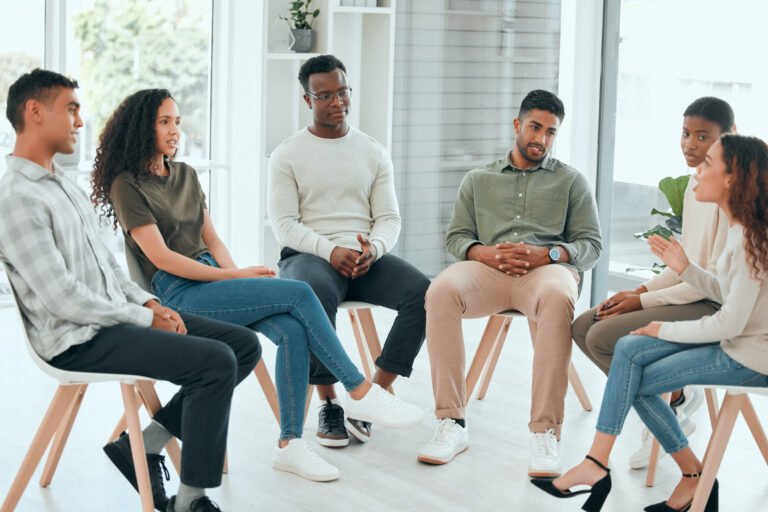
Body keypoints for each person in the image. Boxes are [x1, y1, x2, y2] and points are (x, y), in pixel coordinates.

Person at [90, 88, 424, 484]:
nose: (175, 130)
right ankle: (359, 389)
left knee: (294, 329)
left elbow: (211, 240)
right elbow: (161, 258)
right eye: (164, 122)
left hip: (211, 277)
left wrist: (238, 274)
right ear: (140, 129)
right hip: (174, 291)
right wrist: (235, 277)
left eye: (177, 121)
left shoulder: (185, 175)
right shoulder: (127, 184)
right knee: (299, 293)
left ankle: (290, 446)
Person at [0, 69, 261, 512]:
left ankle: (143, 442)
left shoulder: (66, 186)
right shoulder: (16, 198)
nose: (80, 122)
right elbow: (62, 298)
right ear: (35, 111)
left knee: (242, 344)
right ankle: (192, 500)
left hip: (109, 321)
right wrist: (145, 318)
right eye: (72, 109)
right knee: (214, 362)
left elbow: (108, 270)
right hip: (75, 340)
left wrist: (150, 302)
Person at [532, 133, 768, 512]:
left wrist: (663, 328)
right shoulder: (742, 229)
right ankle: (648, 471)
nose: (697, 170)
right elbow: (730, 293)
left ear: (732, 178)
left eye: (709, 162)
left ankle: (610, 466)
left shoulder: (749, 238)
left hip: (752, 357)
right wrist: (686, 269)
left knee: (633, 375)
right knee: (628, 350)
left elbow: (730, 325)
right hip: (740, 343)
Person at [418, 90, 602, 475]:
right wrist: (483, 253)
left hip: (546, 272)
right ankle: (452, 422)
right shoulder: (478, 179)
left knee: (556, 295)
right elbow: (456, 237)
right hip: (488, 270)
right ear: (518, 125)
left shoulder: (572, 182)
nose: (542, 139)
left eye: (551, 132)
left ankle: (545, 432)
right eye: (536, 127)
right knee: (441, 291)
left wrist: (548, 254)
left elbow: (591, 246)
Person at [268, 54, 430, 447]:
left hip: (363, 257)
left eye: (343, 92)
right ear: (308, 100)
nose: (337, 101)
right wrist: (329, 250)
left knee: (425, 292)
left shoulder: (373, 151)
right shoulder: (287, 154)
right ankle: (331, 402)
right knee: (313, 294)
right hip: (309, 257)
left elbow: (389, 218)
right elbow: (284, 225)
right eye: (325, 95)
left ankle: (374, 394)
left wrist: (374, 248)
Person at [572, 97, 735, 469]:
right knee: (584, 327)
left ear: (729, 137)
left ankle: (666, 415)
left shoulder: (733, 193)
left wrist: (641, 303)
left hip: (717, 304)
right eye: (685, 134)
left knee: (603, 339)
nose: (690, 144)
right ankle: (672, 401)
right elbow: (684, 266)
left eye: (702, 136)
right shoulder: (697, 185)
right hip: (693, 291)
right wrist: (640, 291)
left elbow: (708, 283)